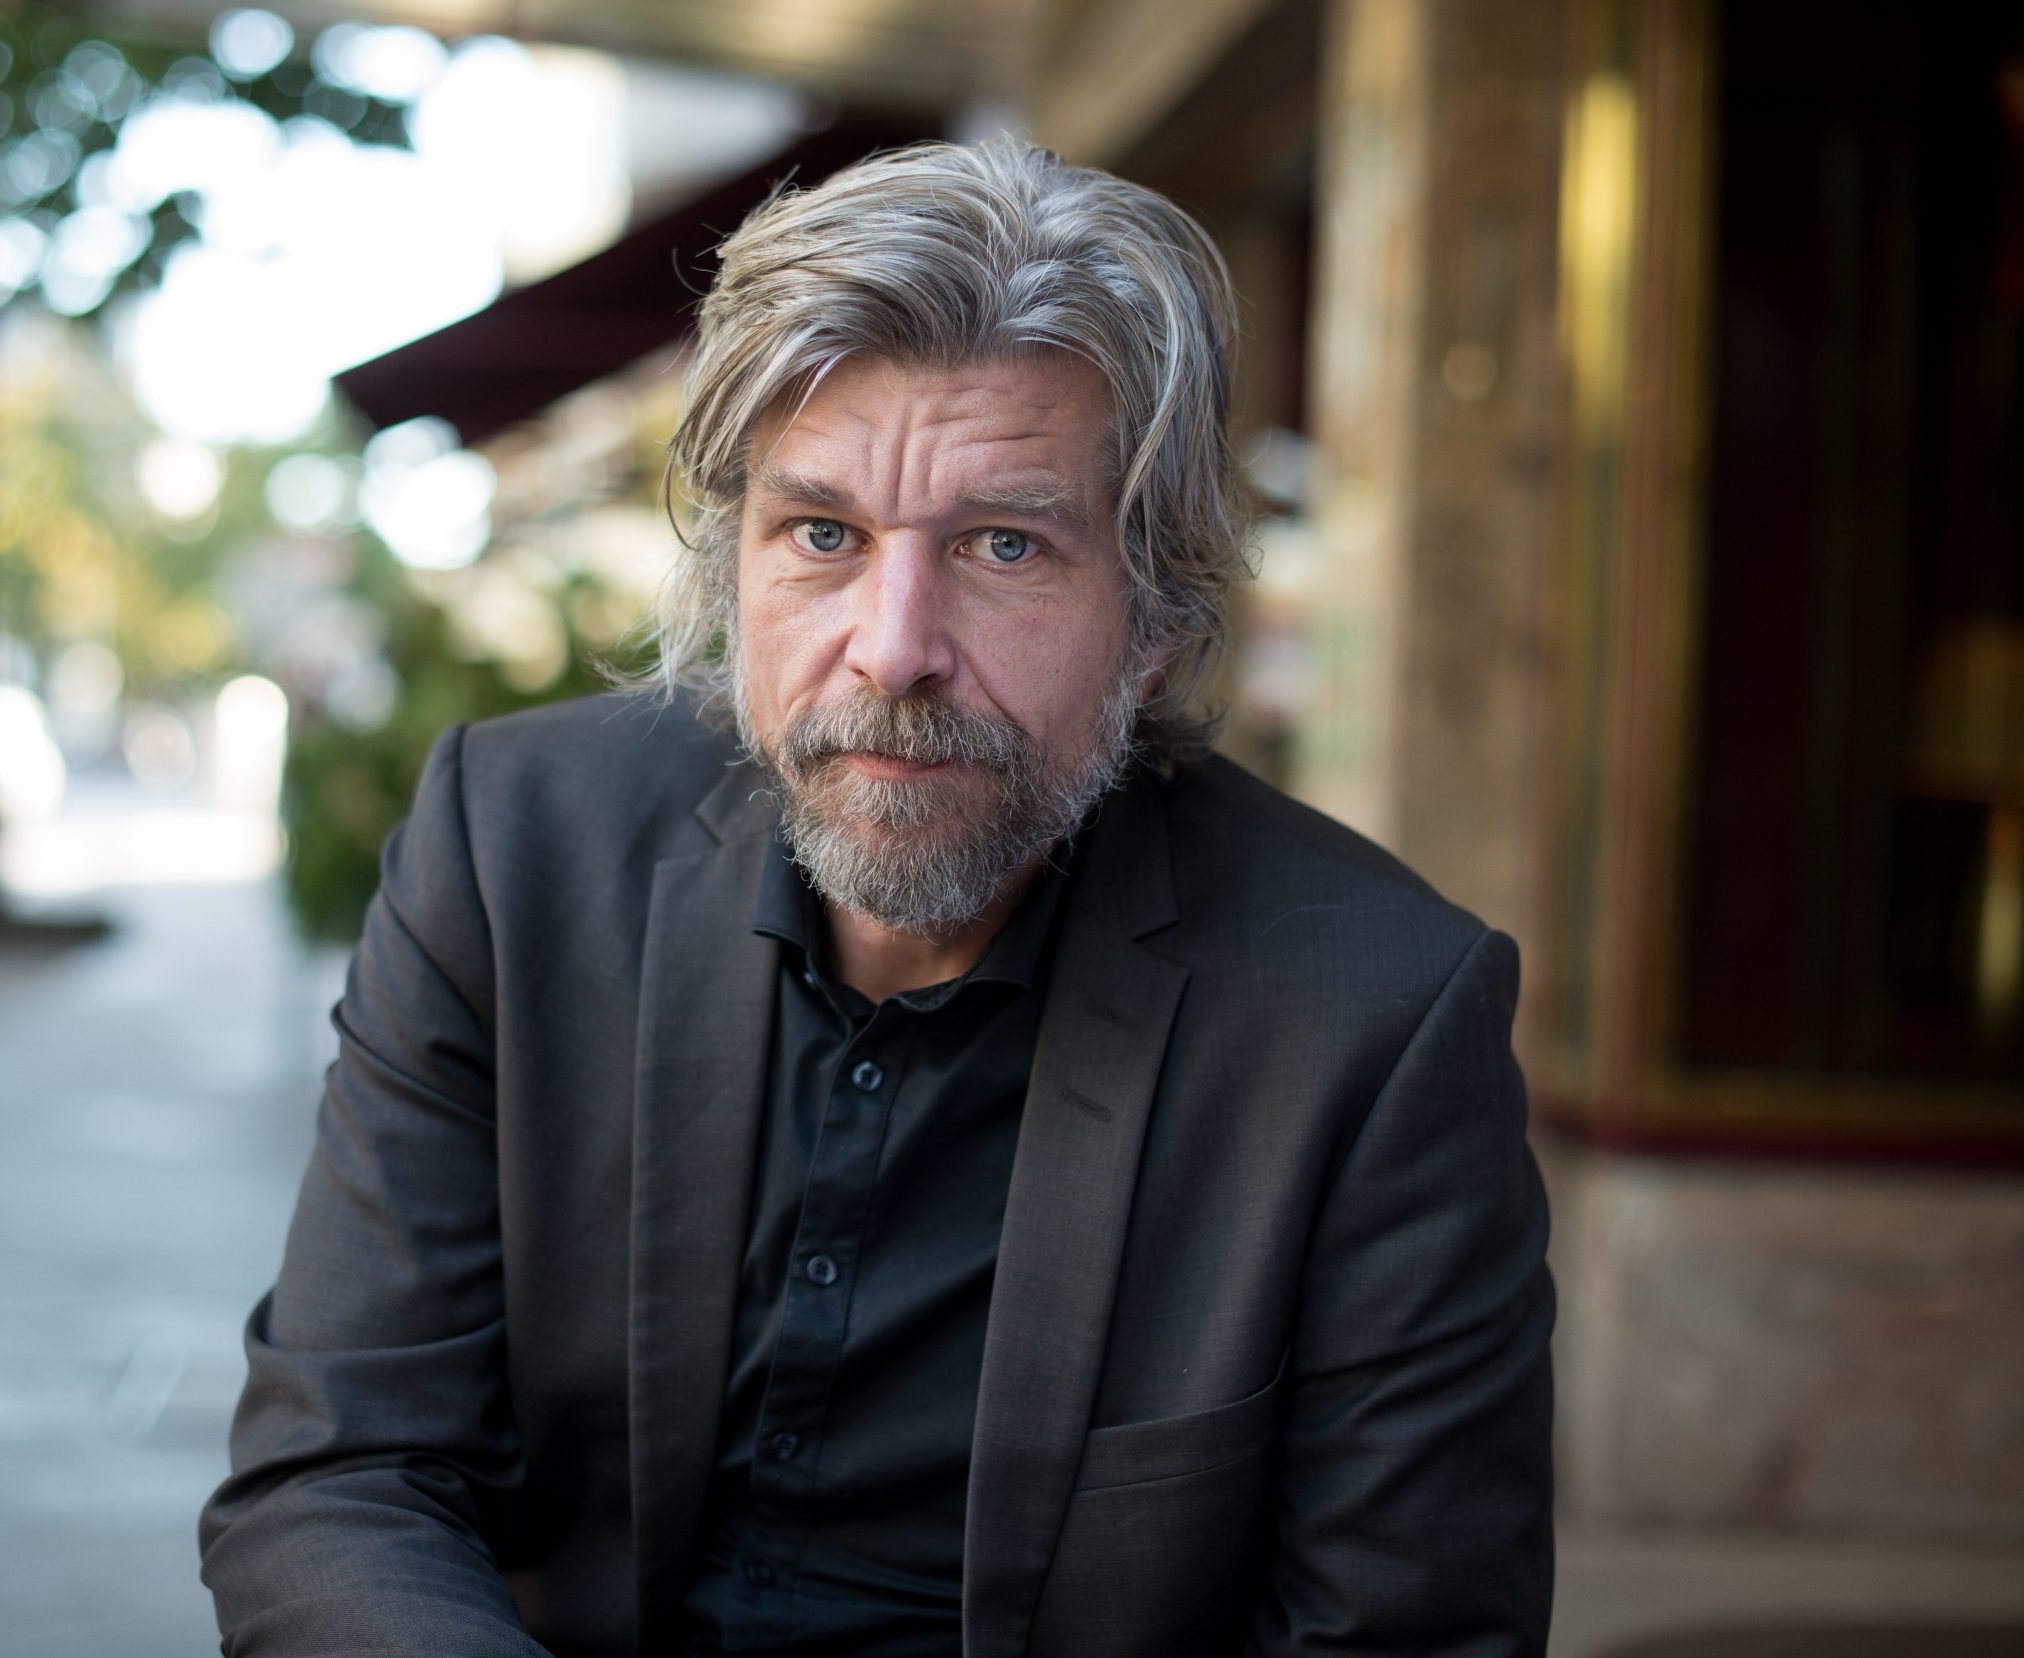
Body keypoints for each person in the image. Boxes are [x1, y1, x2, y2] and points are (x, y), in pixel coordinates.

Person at [200, 136, 1554, 1658]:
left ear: (1157, 620)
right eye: (824, 534)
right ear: (733, 570)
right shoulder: (513, 855)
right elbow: (342, 1472)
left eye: (1002, 544)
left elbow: (1405, 1636)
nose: (892, 644)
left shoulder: (1373, 1018)